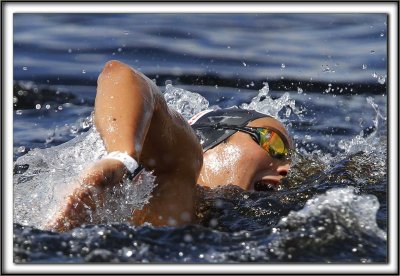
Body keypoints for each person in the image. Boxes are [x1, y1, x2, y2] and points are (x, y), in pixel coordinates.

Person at [47, 60, 294, 232]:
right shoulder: (183, 165)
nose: (286, 168)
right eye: (274, 143)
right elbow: (120, 74)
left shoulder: (212, 217)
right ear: (210, 142)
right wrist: (121, 157)